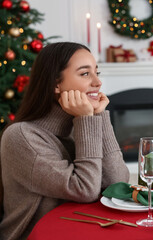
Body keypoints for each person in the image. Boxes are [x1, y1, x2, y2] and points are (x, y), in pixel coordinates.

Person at [0, 42, 129, 240]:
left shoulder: (77, 126)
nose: (97, 82)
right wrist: (86, 120)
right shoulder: (21, 136)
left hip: (82, 230)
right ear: (56, 84)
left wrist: (98, 117)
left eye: (97, 72)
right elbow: (85, 190)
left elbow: (118, 183)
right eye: (85, 74)